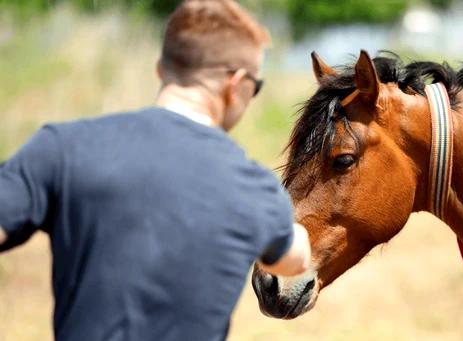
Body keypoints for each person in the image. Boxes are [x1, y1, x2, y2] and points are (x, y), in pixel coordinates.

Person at [0, 1, 311, 340]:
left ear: (161, 70)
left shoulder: (62, 147)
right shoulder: (255, 190)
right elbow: (294, 262)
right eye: (256, 87)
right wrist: (291, 230)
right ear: (236, 84)